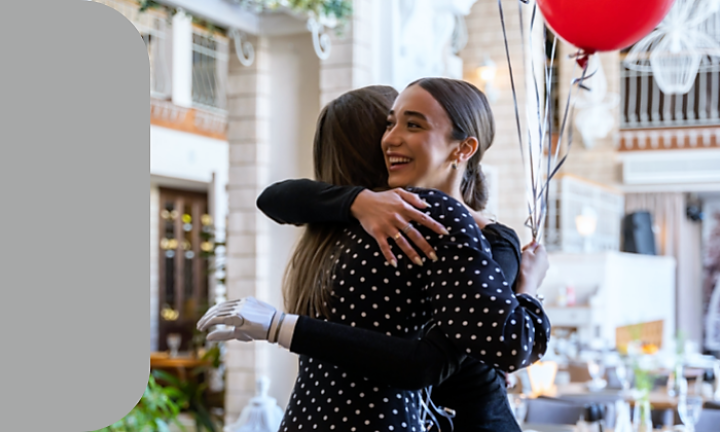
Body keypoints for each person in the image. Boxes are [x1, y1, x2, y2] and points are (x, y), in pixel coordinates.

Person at [199, 80, 550, 432]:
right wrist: (358, 200)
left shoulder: (481, 235)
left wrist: (527, 290)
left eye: (412, 124)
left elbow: (467, 351)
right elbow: (272, 198)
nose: (392, 138)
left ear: (462, 148)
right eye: (389, 124)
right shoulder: (361, 223)